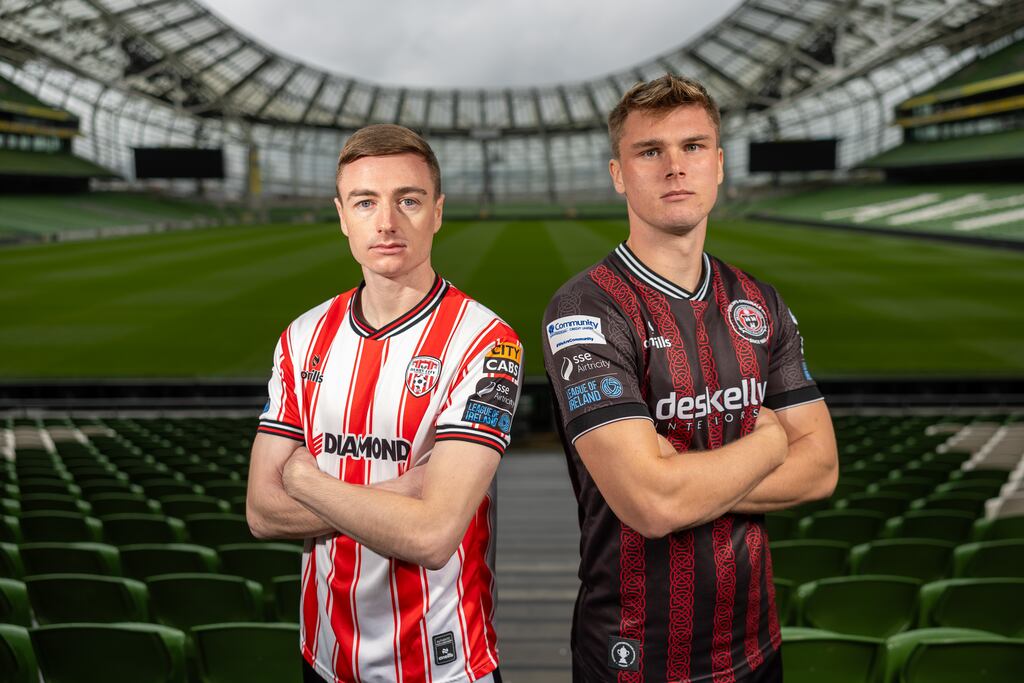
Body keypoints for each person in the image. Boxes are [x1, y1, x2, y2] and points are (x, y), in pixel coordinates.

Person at [542, 75, 838, 682]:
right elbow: (651, 504)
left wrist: (678, 474)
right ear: (619, 173)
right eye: (650, 151)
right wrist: (770, 442)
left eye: (694, 147)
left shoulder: (760, 302)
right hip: (635, 656)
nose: (675, 167)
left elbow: (823, 469)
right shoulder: (586, 310)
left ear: (720, 164)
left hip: (757, 646)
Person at [246, 124, 521, 683]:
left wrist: (305, 481)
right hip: (322, 656)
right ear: (342, 215)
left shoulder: (488, 342)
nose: (388, 221)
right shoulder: (302, 338)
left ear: (437, 212)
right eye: (365, 201)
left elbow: (432, 535)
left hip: (444, 665)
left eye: (409, 200)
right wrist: (407, 489)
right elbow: (260, 511)